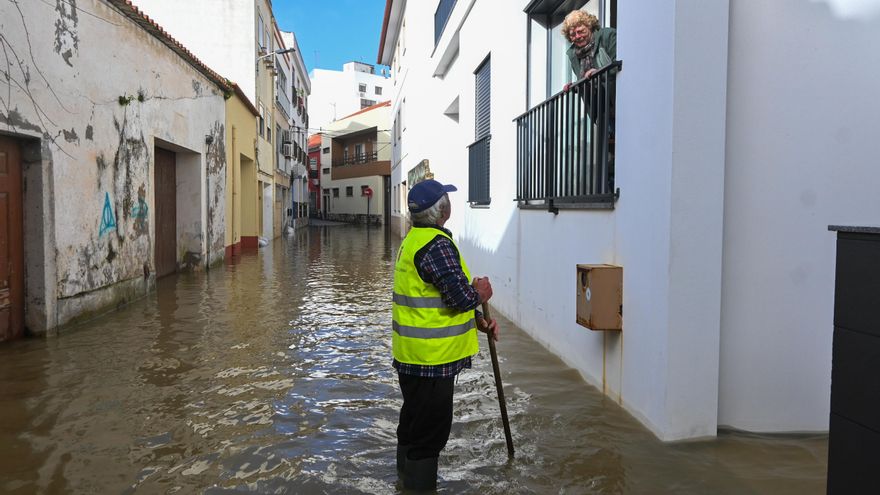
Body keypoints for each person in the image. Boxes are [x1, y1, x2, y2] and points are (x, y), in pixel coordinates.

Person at [392, 179, 499, 491]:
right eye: (446, 198)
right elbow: (458, 298)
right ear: (441, 210)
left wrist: (477, 320)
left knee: (412, 426)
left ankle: (402, 482)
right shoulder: (437, 246)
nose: (450, 202)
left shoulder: (414, 239)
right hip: (433, 362)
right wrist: (479, 294)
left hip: (412, 358)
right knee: (429, 436)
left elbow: (435, 300)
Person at [562, 10, 616, 81]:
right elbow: (583, 81)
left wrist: (597, 74)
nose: (577, 36)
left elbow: (618, 67)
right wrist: (574, 88)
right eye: (573, 34)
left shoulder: (608, 36)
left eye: (581, 31)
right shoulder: (573, 54)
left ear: (590, 27)